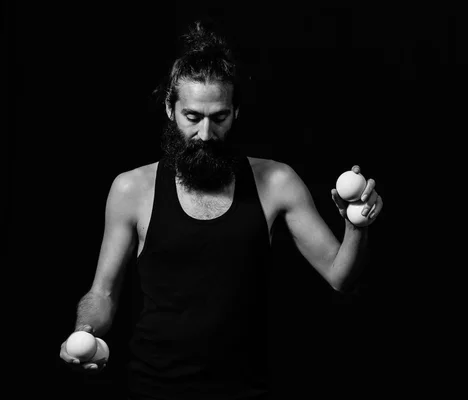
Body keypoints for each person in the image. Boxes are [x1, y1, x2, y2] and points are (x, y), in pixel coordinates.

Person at [58, 19, 383, 400]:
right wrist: (85, 333)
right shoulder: (132, 188)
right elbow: (103, 293)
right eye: (192, 118)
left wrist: (356, 223)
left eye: (219, 118)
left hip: (247, 388)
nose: (206, 134)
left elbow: (339, 276)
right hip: (154, 387)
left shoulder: (277, 182)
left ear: (236, 112)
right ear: (170, 109)